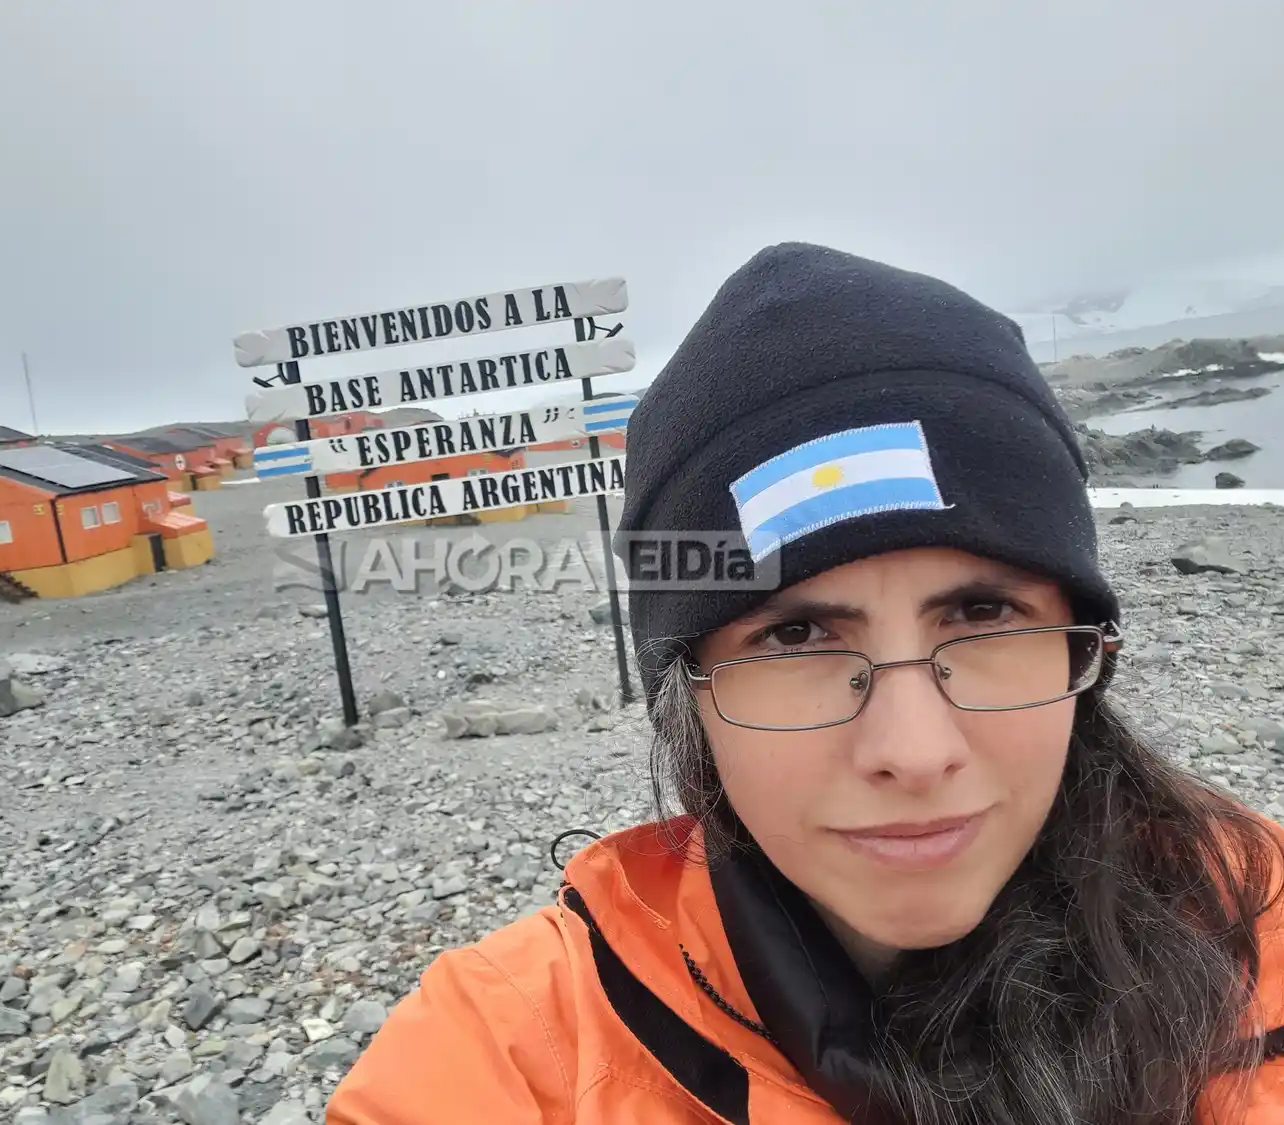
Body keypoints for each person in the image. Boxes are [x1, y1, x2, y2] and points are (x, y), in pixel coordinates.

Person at [324, 244, 1284, 1124]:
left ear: (1091, 649)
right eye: (795, 634)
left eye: (984, 617)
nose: (914, 751)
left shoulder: (1264, 930)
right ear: (686, 694)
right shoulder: (516, 1047)